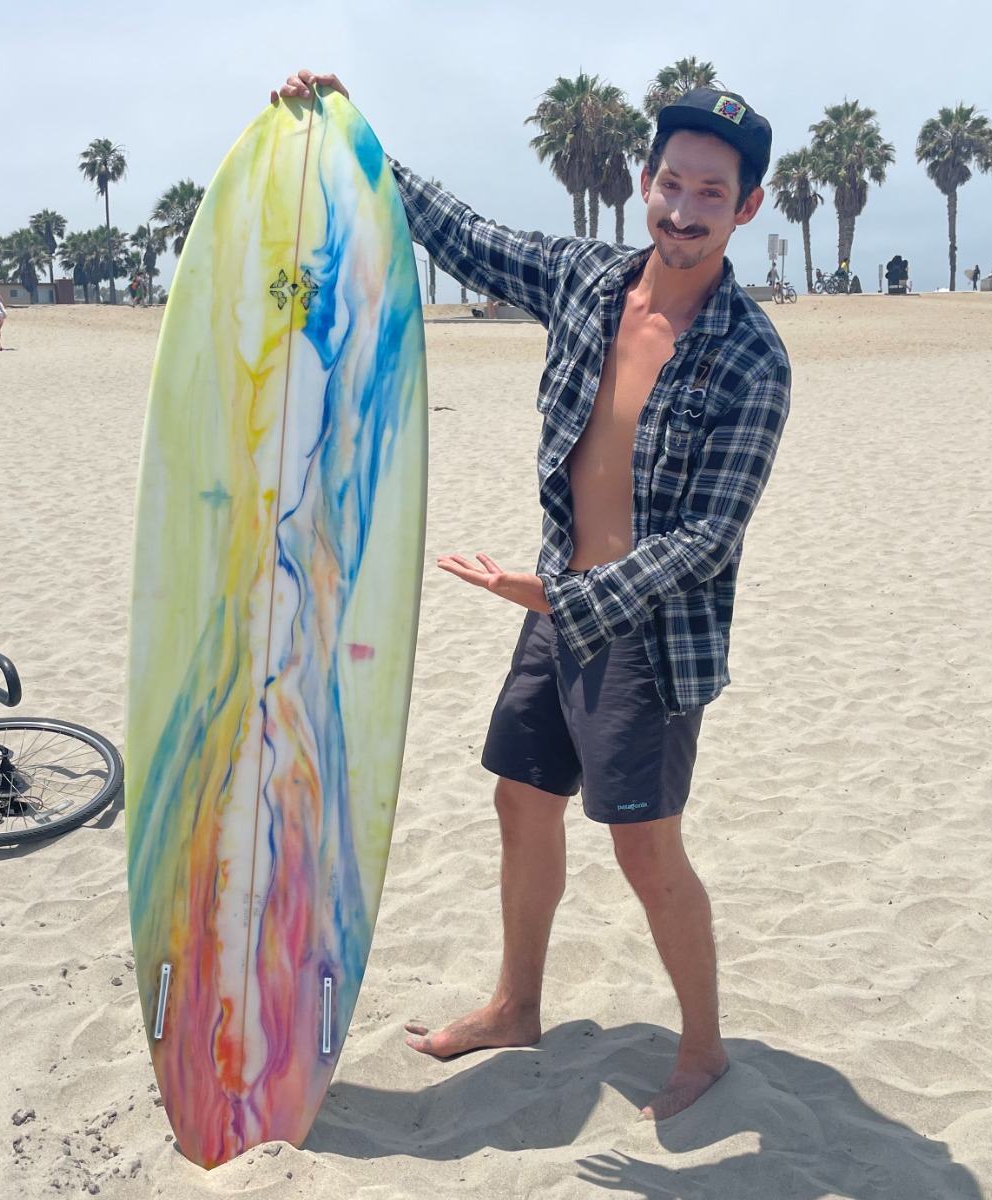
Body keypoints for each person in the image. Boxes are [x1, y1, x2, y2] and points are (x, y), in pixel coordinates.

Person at [274, 70, 790, 1121]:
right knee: (520, 801)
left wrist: (557, 601)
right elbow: (458, 232)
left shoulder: (753, 359)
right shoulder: (588, 282)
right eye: (672, 183)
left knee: (647, 851)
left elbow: (707, 539)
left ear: (747, 208)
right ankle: (517, 1003)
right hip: (554, 600)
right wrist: (345, 129)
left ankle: (703, 1048)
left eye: (711, 194)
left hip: (647, 637)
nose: (683, 211)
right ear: (646, 181)